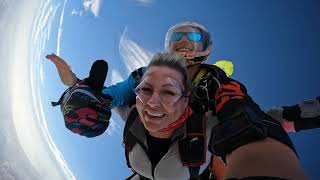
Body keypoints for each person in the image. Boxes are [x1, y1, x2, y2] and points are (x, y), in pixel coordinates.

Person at [46, 21, 320, 131]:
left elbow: (255, 117)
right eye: (178, 36)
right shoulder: (144, 76)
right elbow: (114, 95)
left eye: (194, 36)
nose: (185, 40)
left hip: (197, 147)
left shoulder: (214, 81)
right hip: (146, 142)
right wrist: (80, 89)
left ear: (206, 48)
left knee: (250, 123)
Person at [122, 52, 306, 179]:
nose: (152, 103)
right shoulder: (132, 116)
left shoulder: (209, 125)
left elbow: (256, 126)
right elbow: (104, 106)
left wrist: (238, 110)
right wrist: (95, 109)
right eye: (145, 89)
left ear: (186, 100)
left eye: (169, 92)